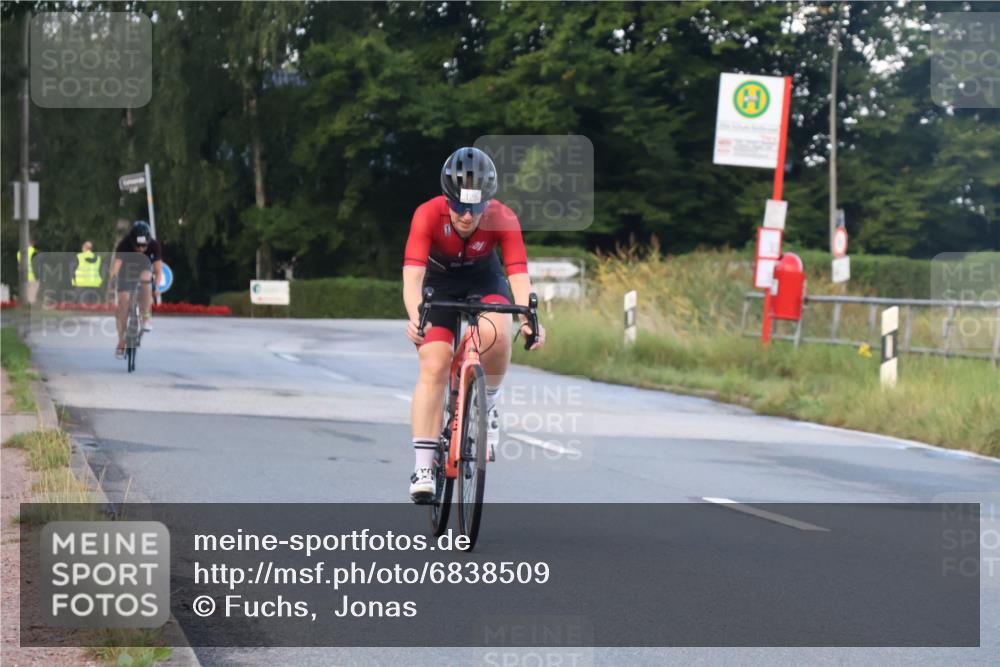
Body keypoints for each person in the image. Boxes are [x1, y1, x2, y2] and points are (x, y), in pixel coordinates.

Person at [402, 147, 546, 503]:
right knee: (434, 362)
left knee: (496, 332)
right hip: (439, 283)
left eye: (476, 208)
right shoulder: (427, 214)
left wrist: (530, 319)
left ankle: (489, 405)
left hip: (484, 279)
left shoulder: (503, 218)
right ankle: (423, 467)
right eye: (460, 207)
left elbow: (519, 275)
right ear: (446, 198)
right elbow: (413, 277)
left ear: (489, 203)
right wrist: (415, 315)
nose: (467, 216)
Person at [109, 221, 162, 357]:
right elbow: (116, 267)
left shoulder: (154, 245)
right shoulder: (124, 244)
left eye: (143, 246)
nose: (140, 248)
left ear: (148, 242)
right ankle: (121, 342)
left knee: (147, 279)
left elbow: (158, 270)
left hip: (144, 269)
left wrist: (156, 286)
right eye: (137, 245)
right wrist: (112, 279)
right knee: (123, 302)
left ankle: (145, 318)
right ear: (131, 241)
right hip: (126, 272)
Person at [71, 240, 103, 305]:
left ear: (85, 247)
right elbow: (102, 271)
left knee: (81, 306)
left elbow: (72, 270)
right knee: (93, 306)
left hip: (81, 285)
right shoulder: (98, 258)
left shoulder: (78, 257)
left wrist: (73, 282)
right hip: (95, 285)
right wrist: (101, 282)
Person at [15, 239, 38, 305]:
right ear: (32, 243)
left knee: (26, 294)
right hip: (33, 276)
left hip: (23, 277)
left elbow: (19, 266)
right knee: (32, 295)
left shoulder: (19, 252)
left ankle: (26, 306)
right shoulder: (34, 251)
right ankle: (31, 308)